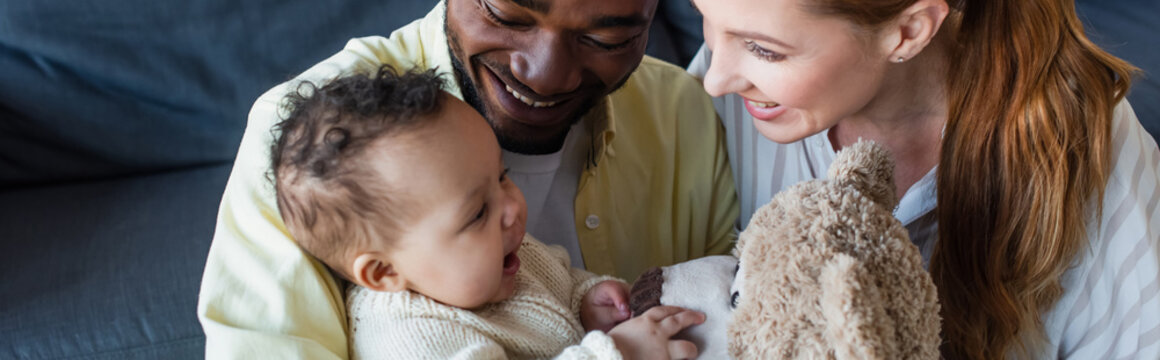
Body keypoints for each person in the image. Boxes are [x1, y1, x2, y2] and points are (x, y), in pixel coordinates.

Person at [198, 0, 737, 358]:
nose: (545, 74)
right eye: (509, 12)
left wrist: (592, 299)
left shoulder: (686, 113)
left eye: (606, 38)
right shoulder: (311, 152)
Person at [687, 0, 1160, 358]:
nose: (715, 78)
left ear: (909, 31)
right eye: (703, 14)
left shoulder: (1093, 154)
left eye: (763, 50)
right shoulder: (728, 94)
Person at [269, 66, 704, 359]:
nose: (513, 207)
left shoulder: (496, 255)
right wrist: (618, 352)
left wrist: (586, 300)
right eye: (476, 212)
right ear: (383, 272)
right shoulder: (413, 339)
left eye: (502, 176)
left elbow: (559, 280)